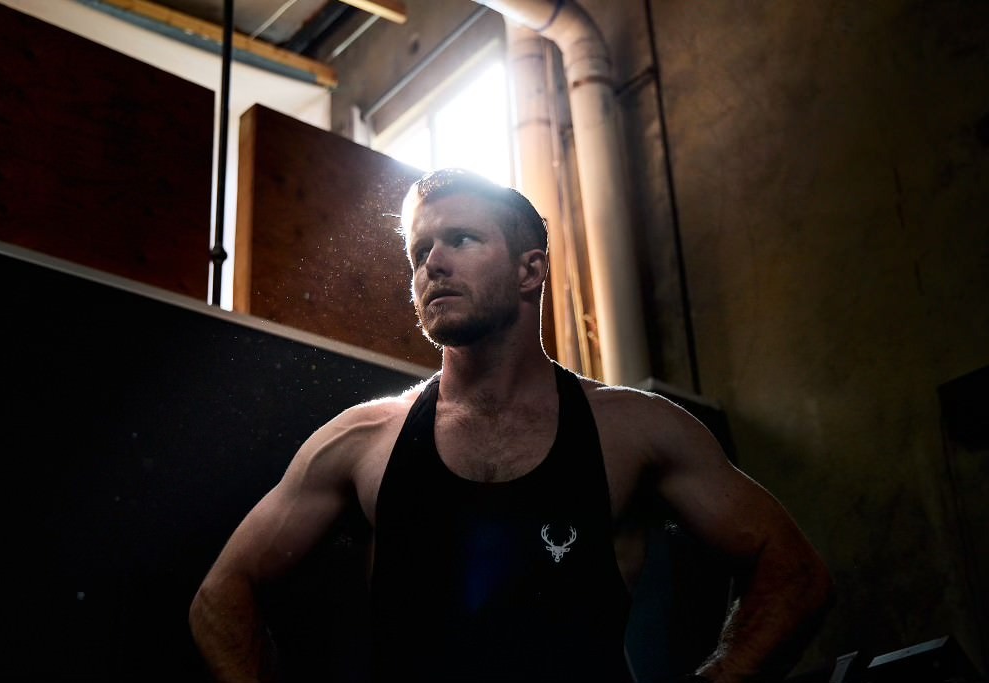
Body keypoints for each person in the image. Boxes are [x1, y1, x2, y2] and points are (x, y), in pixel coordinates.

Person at [189, 168, 834, 683]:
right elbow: (221, 598)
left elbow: (795, 575)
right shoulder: (362, 441)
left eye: (461, 240)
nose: (431, 264)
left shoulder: (634, 430)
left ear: (531, 270)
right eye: (420, 251)